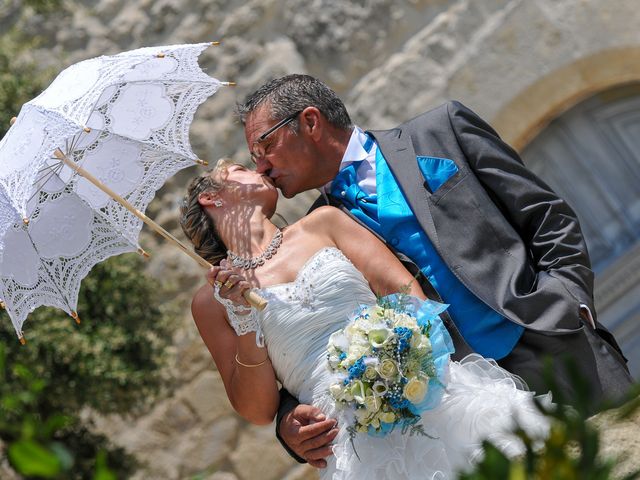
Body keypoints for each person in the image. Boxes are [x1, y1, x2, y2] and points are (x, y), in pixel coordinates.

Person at [231, 74, 633, 468]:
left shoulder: (442, 130)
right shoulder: (318, 232)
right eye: (253, 159)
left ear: (311, 122)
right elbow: (305, 337)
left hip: (554, 343)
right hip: (465, 412)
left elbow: (546, 216)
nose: (262, 168)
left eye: (264, 146)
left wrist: (570, 302)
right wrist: (287, 421)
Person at [179, 160, 551, 479]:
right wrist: (243, 317)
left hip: (421, 384)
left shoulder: (323, 223)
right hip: (347, 434)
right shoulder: (213, 302)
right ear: (211, 197)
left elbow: (401, 288)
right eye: (241, 169)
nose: (259, 168)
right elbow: (257, 409)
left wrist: (407, 361)